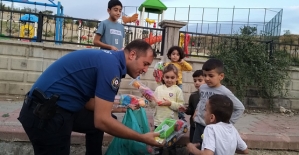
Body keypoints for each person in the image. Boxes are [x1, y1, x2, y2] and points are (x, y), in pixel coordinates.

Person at [17, 39, 162, 155]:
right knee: (104, 121)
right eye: (145, 64)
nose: (145, 70)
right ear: (132, 55)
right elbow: (101, 121)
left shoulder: (110, 60)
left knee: (103, 121)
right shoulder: (111, 67)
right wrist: (142, 138)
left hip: (53, 109)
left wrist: (123, 107)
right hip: (45, 116)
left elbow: (90, 105)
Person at [192, 58, 245, 147]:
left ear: (221, 76)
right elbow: (201, 101)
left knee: (210, 149)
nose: (207, 78)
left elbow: (240, 108)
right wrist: (196, 112)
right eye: (205, 75)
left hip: (214, 128)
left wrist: (228, 123)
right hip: (200, 125)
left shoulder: (225, 92)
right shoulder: (202, 88)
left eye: (211, 76)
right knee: (195, 148)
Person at [148, 64, 185, 155]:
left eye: (172, 77)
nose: (169, 80)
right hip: (159, 122)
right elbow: (153, 105)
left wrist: (170, 103)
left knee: (171, 146)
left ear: (177, 78)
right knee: (158, 145)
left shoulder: (178, 91)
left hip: (171, 123)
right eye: (167, 77)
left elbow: (181, 107)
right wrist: (150, 100)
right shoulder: (158, 89)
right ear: (163, 77)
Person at [155, 46, 192, 121]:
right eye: (173, 54)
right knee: (168, 98)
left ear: (180, 56)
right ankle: (167, 111)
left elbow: (190, 68)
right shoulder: (167, 64)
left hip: (178, 84)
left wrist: (183, 62)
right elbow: (160, 71)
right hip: (167, 85)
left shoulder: (181, 64)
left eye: (178, 55)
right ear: (169, 55)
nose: (175, 56)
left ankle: (181, 116)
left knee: (179, 100)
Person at [181, 70, 205, 142]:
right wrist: (185, 110)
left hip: (204, 126)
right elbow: (191, 110)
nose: (197, 83)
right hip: (194, 125)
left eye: (200, 80)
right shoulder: (193, 95)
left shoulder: (209, 95)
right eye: (195, 81)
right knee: (193, 143)